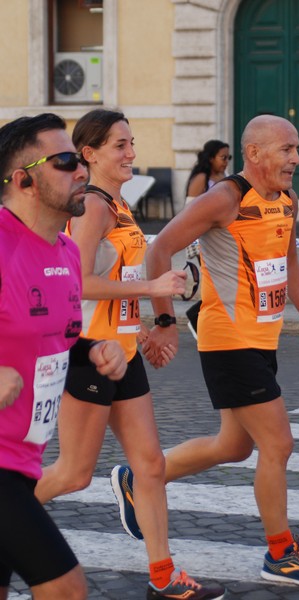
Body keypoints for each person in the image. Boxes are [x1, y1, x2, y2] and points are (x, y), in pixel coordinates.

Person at [111, 114, 299, 587]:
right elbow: (160, 251)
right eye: (287, 149)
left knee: (234, 445)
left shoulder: (287, 201)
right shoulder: (224, 200)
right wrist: (166, 320)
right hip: (227, 339)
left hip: (263, 339)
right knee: (278, 443)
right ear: (254, 153)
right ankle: (280, 553)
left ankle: (140, 479)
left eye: (296, 149)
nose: (296, 158)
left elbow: (289, 261)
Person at [34, 108, 225, 600]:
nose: (132, 153)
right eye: (120, 145)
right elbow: (75, 283)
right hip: (90, 355)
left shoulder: (118, 206)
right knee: (74, 474)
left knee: (151, 465)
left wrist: (140, 323)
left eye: (132, 143)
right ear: (89, 154)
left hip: (124, 353)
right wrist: (151, 285)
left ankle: (163, 575)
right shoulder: (93, 206)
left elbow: (110, 282)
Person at [0, 113, 127, 600]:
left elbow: (58, 338)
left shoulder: (68, 254)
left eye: (80, 160)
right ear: (24, 179)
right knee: (66, 588)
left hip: (23, 461)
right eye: (66, 161)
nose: (81, 171)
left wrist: (95, 350)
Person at [184, 140, 231, 337]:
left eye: (229, 158)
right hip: (201, 240)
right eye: (223, 157)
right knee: (216, 283)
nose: (226, 162)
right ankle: (196, 319)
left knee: (225, 283)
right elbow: (189, 214)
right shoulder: (201, 179)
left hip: (222, 240)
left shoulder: (225, 177)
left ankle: (206, 320)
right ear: (211, 158)